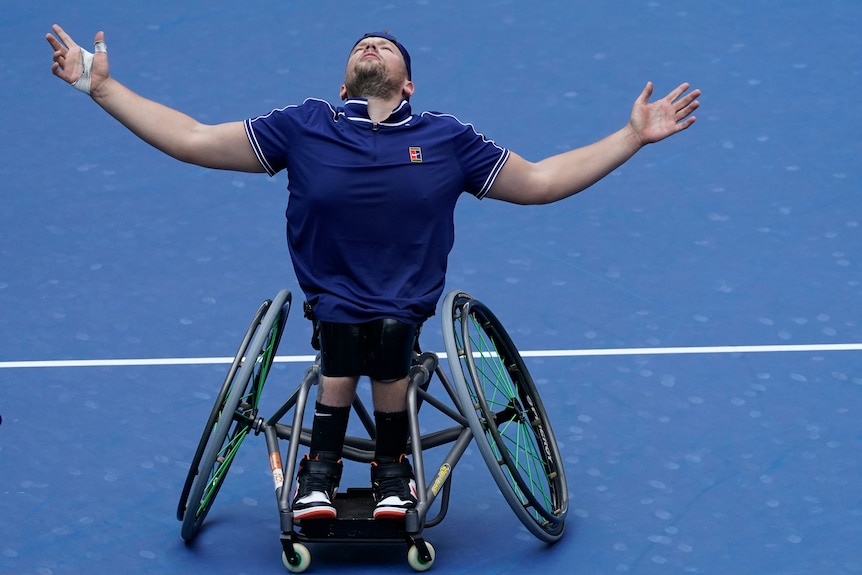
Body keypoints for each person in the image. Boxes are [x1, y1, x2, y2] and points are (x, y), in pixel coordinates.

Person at [46, 25, 700, 522]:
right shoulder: (303, 126)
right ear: (343, 82)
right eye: (362, 45)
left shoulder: (448, 138)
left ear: (408, 83)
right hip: (331, 301)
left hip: (403, 307)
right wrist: (100, 87)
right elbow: (190, 137)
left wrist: (630, 137)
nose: (371, 48)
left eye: (385, 47)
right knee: (350, 328)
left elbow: (542, 181)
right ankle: (322, 467)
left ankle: (390, 468)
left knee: (387, 332)